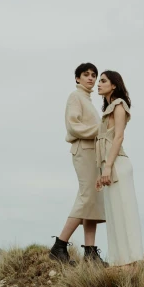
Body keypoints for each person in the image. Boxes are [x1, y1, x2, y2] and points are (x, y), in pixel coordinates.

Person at [50, 63, 107, 265]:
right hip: (83, 151)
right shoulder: (75, 97)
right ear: (77, 78)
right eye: (86, 75)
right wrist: (101, 130)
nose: (91, 78)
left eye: (94, 75)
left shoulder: (88, 100)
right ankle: (59, 245)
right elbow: (73, 126)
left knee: (92, 200)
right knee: (86, 197)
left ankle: (90, 252)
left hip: (93, 153)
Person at [96, 70, 144, 267]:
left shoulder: (119, 105)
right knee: (114, 212)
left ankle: (131, 262)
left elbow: (119, 136)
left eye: (103, 80)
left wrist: (108, 167)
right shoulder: (107, 109)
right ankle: (120, 262)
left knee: (124, 210)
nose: (99, 83)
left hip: (117, 164)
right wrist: (102, 170)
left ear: (114, 85)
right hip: (108, 164)